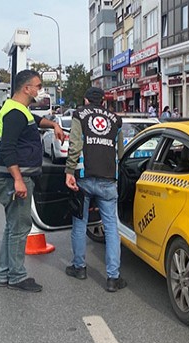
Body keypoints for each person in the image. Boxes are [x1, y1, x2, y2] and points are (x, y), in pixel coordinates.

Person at [0, 70, 64, 292]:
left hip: (11, 176)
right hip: (12, 178)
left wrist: (54, 125)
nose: (40, 90)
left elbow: (35, 120)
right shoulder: (14, 113)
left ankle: (5, 274)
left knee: (13, 227)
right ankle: (16, 277)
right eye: (38, 86)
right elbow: (8, 148)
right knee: (19, 228)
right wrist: (18, 180)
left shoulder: (20, 110)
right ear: (26, 88)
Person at [64, 86, 126, 292]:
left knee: (80, 224)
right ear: (104, 101)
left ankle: (79, 267)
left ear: (86, 100)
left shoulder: (80, 114)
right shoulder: (115, 119)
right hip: (109, 179)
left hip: (84, 177)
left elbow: (75, 144)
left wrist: (69, 171)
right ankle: (113, 278)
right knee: (111, 227)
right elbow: (120, 151)